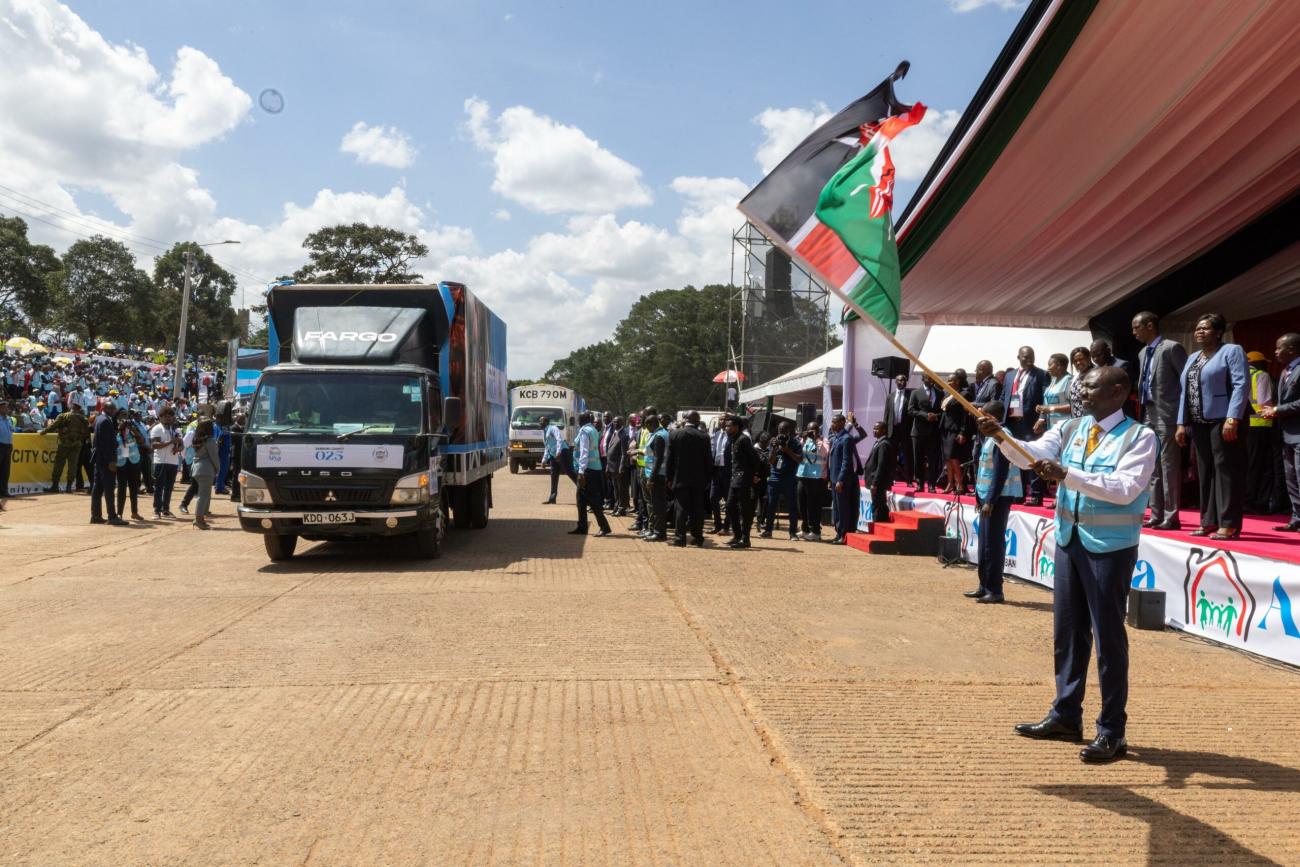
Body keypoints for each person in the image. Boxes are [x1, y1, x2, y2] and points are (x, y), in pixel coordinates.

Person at [977, 366, 1156, 763]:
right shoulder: (1073, 427)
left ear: (1118, 391)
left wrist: (1068, 475)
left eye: (1090, 386)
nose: (1081, 391)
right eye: (1082, 385)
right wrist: (1002, 436)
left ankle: (1111, 730)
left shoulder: (1140, 437)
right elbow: (1033, 456)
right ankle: (1065, 715)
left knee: (1108, 639)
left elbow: (1126, 488)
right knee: (1068, 635)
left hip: (1109, 548)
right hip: (1069, 541)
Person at [1175, 313, 1250, 541]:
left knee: (1226, 471)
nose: (1199, 332)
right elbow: (1184, 393)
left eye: (1205, 328)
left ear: (1218, 332)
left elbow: (1241, 384)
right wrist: (1180, 423)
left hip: (1224, 420)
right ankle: (1208, 521)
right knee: (1205, 471)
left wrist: (1232, 418)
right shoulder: (1193, 357)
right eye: (1197, 328)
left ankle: (1229, 523)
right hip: (1198, 422)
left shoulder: (1232, 351)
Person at [1132, 311, 1188, 530]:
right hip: (1148, 413)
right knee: (1152, 465)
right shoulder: (1142, 352)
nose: (1133, 332)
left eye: (1136, 327)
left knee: (1169, 465)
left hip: (1168, 414)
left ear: (1149, 326)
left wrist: (1183, 419)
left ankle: (1171, 515)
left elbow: (1186, 384)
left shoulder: (1172, 347)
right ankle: (1155, 513)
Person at [967, 400, 1020, 604]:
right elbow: (984, 470)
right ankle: (984, 585)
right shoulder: (988, 437)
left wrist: (990, 500)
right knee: (984, 545)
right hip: (986, 496)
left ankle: (995, 589)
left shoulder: (1001, 437)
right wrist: (980, 497)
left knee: (993, 545)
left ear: (992, 418)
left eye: (982, 416)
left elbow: (1000, 472)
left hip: (999, 497)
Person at [1259, 334, 1300, 530]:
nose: (1275, 352)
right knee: (1291, 478)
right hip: (1285, 434)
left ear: (1291, 349)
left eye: (1279, 348)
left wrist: (1277, 410)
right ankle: (1296, 518)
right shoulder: (1285, 371)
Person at [1003, 346, 1050, 505]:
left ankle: (1036, 495)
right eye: (1025, 357)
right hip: (1012, 423)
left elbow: (1046, 398)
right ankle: (1019, 494)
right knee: (1016, 458)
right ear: (1018, 357)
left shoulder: (1042, 374)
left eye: (1032, 357)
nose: (1029, 360)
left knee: (1033, 457)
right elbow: (1004, 398)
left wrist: (1042, 418)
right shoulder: (1009, 375)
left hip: (1031, 423)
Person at [665, 411, 711, 547]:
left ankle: (680, 539)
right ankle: (698, 537)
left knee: (681, 509)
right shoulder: (704, 436)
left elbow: (670, 460)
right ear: (697, 421)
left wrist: (669, 477)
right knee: (698, 509)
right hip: (699, 480)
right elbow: (708, 460)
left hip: (680, 478)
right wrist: (708, 479)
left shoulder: (674, 434)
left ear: (685, 420)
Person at [569, 411, 612, 537]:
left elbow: (584, 452)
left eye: (579, 418)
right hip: (594, 469)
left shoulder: (585, 431)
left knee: (593, 500)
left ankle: (604, 527)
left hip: (587, 471)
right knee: (581, 500)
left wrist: (581, 472)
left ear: (582, 419)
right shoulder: (592, 429)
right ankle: (582, 526)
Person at [1244, 350, 1276, 514]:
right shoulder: (1261, 375)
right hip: (1260, 424)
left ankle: (1245, 499)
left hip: (1242, 425)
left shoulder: (1238, 374)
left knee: (1246, 463)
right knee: (1260, 466)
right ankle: (1255, 501)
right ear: (1258, 363)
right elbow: (1265, 402)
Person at [828, 411, 866, 545]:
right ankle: (839, 532)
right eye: (832, 422)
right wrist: (831, 479)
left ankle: (843, 534)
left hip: (842, 480)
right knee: (837, 508)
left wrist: (840, 480)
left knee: (843, 507)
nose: (832, 424)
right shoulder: (836, 438)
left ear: (842, 423)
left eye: (835, 422)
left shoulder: (846, 438)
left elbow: (846, 462)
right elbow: (832, 461)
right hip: (834, 478)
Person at [760, 421, 801, 540]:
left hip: (789, 478)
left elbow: (799, 459)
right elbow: (771, 461)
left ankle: (792, 533)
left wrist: (786, 449)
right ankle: (768, 530)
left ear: (789, 431)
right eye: (779, 431)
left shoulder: (795, 442)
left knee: (792, 506)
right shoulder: (773, 441)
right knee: (771, 505)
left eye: (784, 431)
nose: (781, 434)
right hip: (774, 478)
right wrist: (773, 449)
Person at [725, 416, 759, 548]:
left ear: (737, 427)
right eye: (726, 426)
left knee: (745, 509)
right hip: (734, 478)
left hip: (743, 479)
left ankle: (745, 539)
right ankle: (737, 535)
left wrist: (754, 475)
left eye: (730, 426)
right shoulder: (733, 439)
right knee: (729, 506)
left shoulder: (743, 440)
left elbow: (754, 459)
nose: (727, 428)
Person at [90, 404, 126, 525]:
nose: (114, 411)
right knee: (109, 488)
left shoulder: (99, 419)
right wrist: (111, 461)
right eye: (112, 409)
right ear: (106, 409)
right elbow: (106, 443)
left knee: (98, 488)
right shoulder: (105, 421)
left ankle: (96, 515)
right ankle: (112, 516)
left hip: (99, 459)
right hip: (106, 460)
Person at [938, 372, 974, 494]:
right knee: (947, 458)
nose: (948, 383)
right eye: (947, 381)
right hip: (945, 429)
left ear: (957, 382)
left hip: (956, 430)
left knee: (954, 458)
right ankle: (950, 483)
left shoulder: (964, 394)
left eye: (950, 381)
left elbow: (965, 415)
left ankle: (960, 484)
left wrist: (962, 432)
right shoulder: (947, 394)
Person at [41, 403, 89, 493]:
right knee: (73, 466)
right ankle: (69, 487)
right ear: (78, 409)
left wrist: (42, 432)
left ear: (71, 408)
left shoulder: (63, 416)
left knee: (59, 464)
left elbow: (53, 426)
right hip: (76, 445)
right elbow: (86, 432)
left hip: (64, 444)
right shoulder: (83, 419)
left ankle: (55, 486)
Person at [907, 374, 942, 493]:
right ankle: (920, 483)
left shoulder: (939, 392)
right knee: (918, 459)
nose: (931, 380)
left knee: (933, 460)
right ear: (923, 379)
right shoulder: (916, 392)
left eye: (932, 378)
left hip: (933, 432)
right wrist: (925, 415)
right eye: (928, 378)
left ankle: (931, 484)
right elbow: (911, 410)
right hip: (918, 431)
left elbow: (942, 411)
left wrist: (935, 416)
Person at [796, 422, 828, 539]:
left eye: (814, 430)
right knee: (802, 504)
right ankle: (805, 529)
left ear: (818, 430)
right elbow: (799, 454)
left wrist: (815, 440)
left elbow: (821, 453)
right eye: (809, 430)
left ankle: (815, 531)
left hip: (816, 478)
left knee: (813, 505)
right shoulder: (804, 440)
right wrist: (804, 439)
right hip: (803, 475)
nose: (811, 432)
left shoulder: (824, 441)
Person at [641, 413, 669, 542]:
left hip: (657, 476)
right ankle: (657, 531)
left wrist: (651, 479)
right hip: (657, 474)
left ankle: (659, 533)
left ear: (650, 424)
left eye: (647, 426)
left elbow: (658, 459)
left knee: (658, 506)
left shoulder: (659, 436)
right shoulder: (660, 433)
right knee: (658, 505)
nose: (647, 429)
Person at [114, 411, 147, 521]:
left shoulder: (133, 428)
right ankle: (119, 513)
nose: (124, 419)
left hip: (134, 460)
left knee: (134, 488)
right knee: (122, 488)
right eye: (121, 416)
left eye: (125, 416)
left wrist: (134, 431)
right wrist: (119, 428)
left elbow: (142, 441)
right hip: (121, 462)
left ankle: (134, 512)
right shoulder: (114, 428)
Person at [863, 421, 897, 524]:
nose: (874, 431)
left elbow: (881, 466)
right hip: (876, 482)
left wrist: (875, 483)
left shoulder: (884, 444)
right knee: (879, 505)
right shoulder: (878, 442)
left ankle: (877, 527)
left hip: (878, 483)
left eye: (877, 429)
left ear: (884, 430)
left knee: (877, 506)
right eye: (874, 428)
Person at [150, 407, 182, 518]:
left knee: (169, 487)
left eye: (170, 416)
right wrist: (171, 442)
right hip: (160, 462)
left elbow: (182, 445)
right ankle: (156, 510)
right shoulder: (157, 429)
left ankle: (166, 509)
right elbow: (154, 445)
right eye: (166, 416)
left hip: (173, 462)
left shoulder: (176, 430)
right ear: (160, 417)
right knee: (159, 487)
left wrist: (178, 448)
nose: (168, 418)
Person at [190, 419, 219, 530]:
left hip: (197, 468)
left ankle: (200, 519)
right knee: (203, 496)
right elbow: (214, 457)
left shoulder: (197, 439)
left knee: (203, 495)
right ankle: (198, 519)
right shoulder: (210, 441)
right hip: (206, 470)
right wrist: (218, 469)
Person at [540, 414, 574, 505]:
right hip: (553, 456)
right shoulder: (544, 432)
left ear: (546, 422)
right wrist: (544, 460)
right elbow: (547, 447)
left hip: (562, 453)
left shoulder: (552, 428)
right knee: (553, 476)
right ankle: (552, 498)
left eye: (541, 421)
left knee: (570, 473)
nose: (540, 423)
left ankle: (584, 494)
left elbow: (559, 439)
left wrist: (559, 452)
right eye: (540, 421)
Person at [1035, 353, 1073, 433]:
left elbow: (1074, 405)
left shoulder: (1069, 381)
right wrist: (1041, 419)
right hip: (1052, 426)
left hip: (1066, 426)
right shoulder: (1053, 381)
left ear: (1059, 366)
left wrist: (1050, 409)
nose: (1048, 368)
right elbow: (1046, 402)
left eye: (1050, 365)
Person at [888, 373, 913, 485]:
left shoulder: (910, 394)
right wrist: (885, 430)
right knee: (891, 455)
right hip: (892, 429)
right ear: (895, 382)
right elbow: (887, 414)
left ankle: (909, 479)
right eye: (900, 380)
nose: (902, 382)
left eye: (904, 380)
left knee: (907, 455)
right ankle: (891, 478)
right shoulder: (890, 396)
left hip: (905, 429)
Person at [709, 416, 732, 534]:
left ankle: (726, 527)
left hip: (728, 471)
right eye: (721, 419)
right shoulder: (716, 434)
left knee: (729, 500)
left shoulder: (732, 436)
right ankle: (717, 525)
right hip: (716, 470)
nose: (722, 421)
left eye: (725, 419)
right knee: (713, 498)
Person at [605, 415, 630, 516]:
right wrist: (607, 466)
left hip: (618, 467)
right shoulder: (614, 433)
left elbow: (624, 454)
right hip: (611, 467)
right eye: (614, 422)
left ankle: (622, 508)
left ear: (622, 423)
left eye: (618, 422)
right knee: (615, 489)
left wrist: (621, 468)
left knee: (621, 489)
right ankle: (616, 505)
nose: (615, 423)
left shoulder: (624, 435)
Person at [0, 400, 10, 500]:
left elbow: (12, 429)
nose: (6, 409)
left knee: (5, 471)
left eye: (6, 407)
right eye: (4, 407)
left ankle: (4, 491)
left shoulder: (8, 419)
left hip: (8, 446)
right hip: (0, 446)